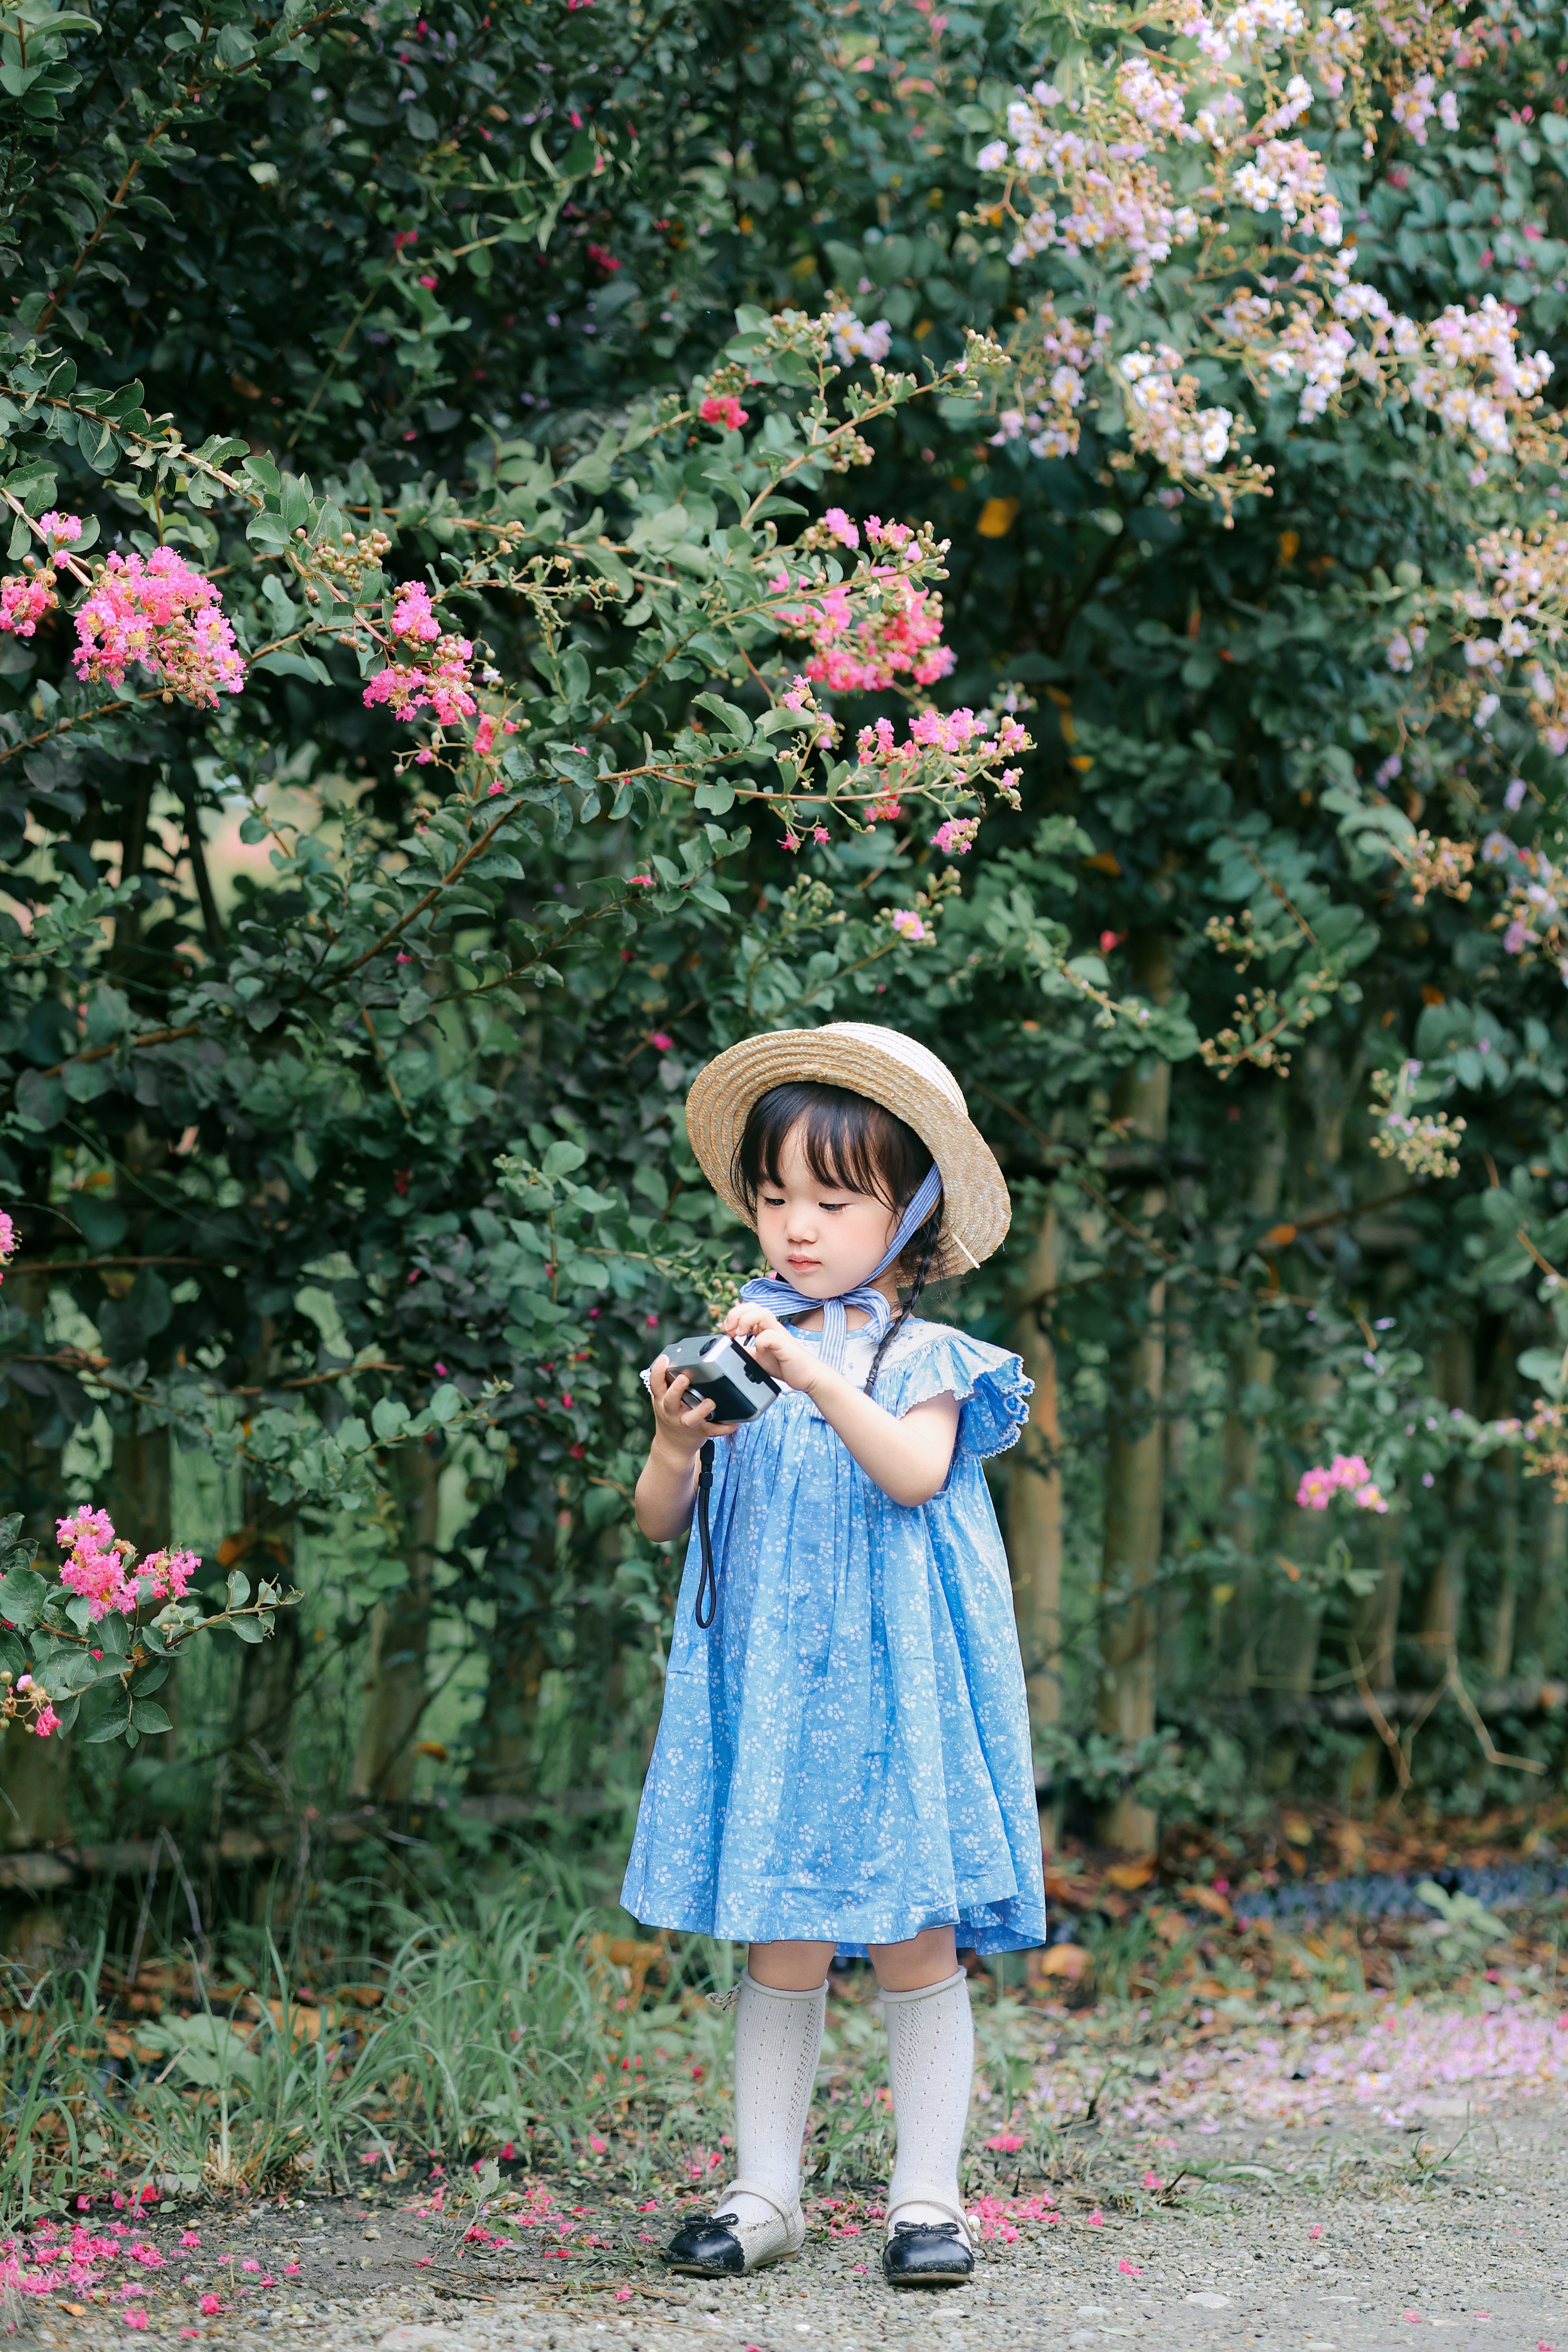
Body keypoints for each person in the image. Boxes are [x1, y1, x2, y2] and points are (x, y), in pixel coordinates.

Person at [623, 1022, 1045, 2289]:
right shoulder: (743, 1357)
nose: (796, 1227)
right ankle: (765, 2193)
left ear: (909, 1214)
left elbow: (916, 1475)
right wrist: (676, 1441)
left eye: (833, 1199)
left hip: (897, 1690)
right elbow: (661, 1522)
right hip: (774, 1688)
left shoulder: (924, 1360)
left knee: (915, 1935)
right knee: (780, 1939)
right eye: (773, 1198)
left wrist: (810, 1369)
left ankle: (928, 2200)